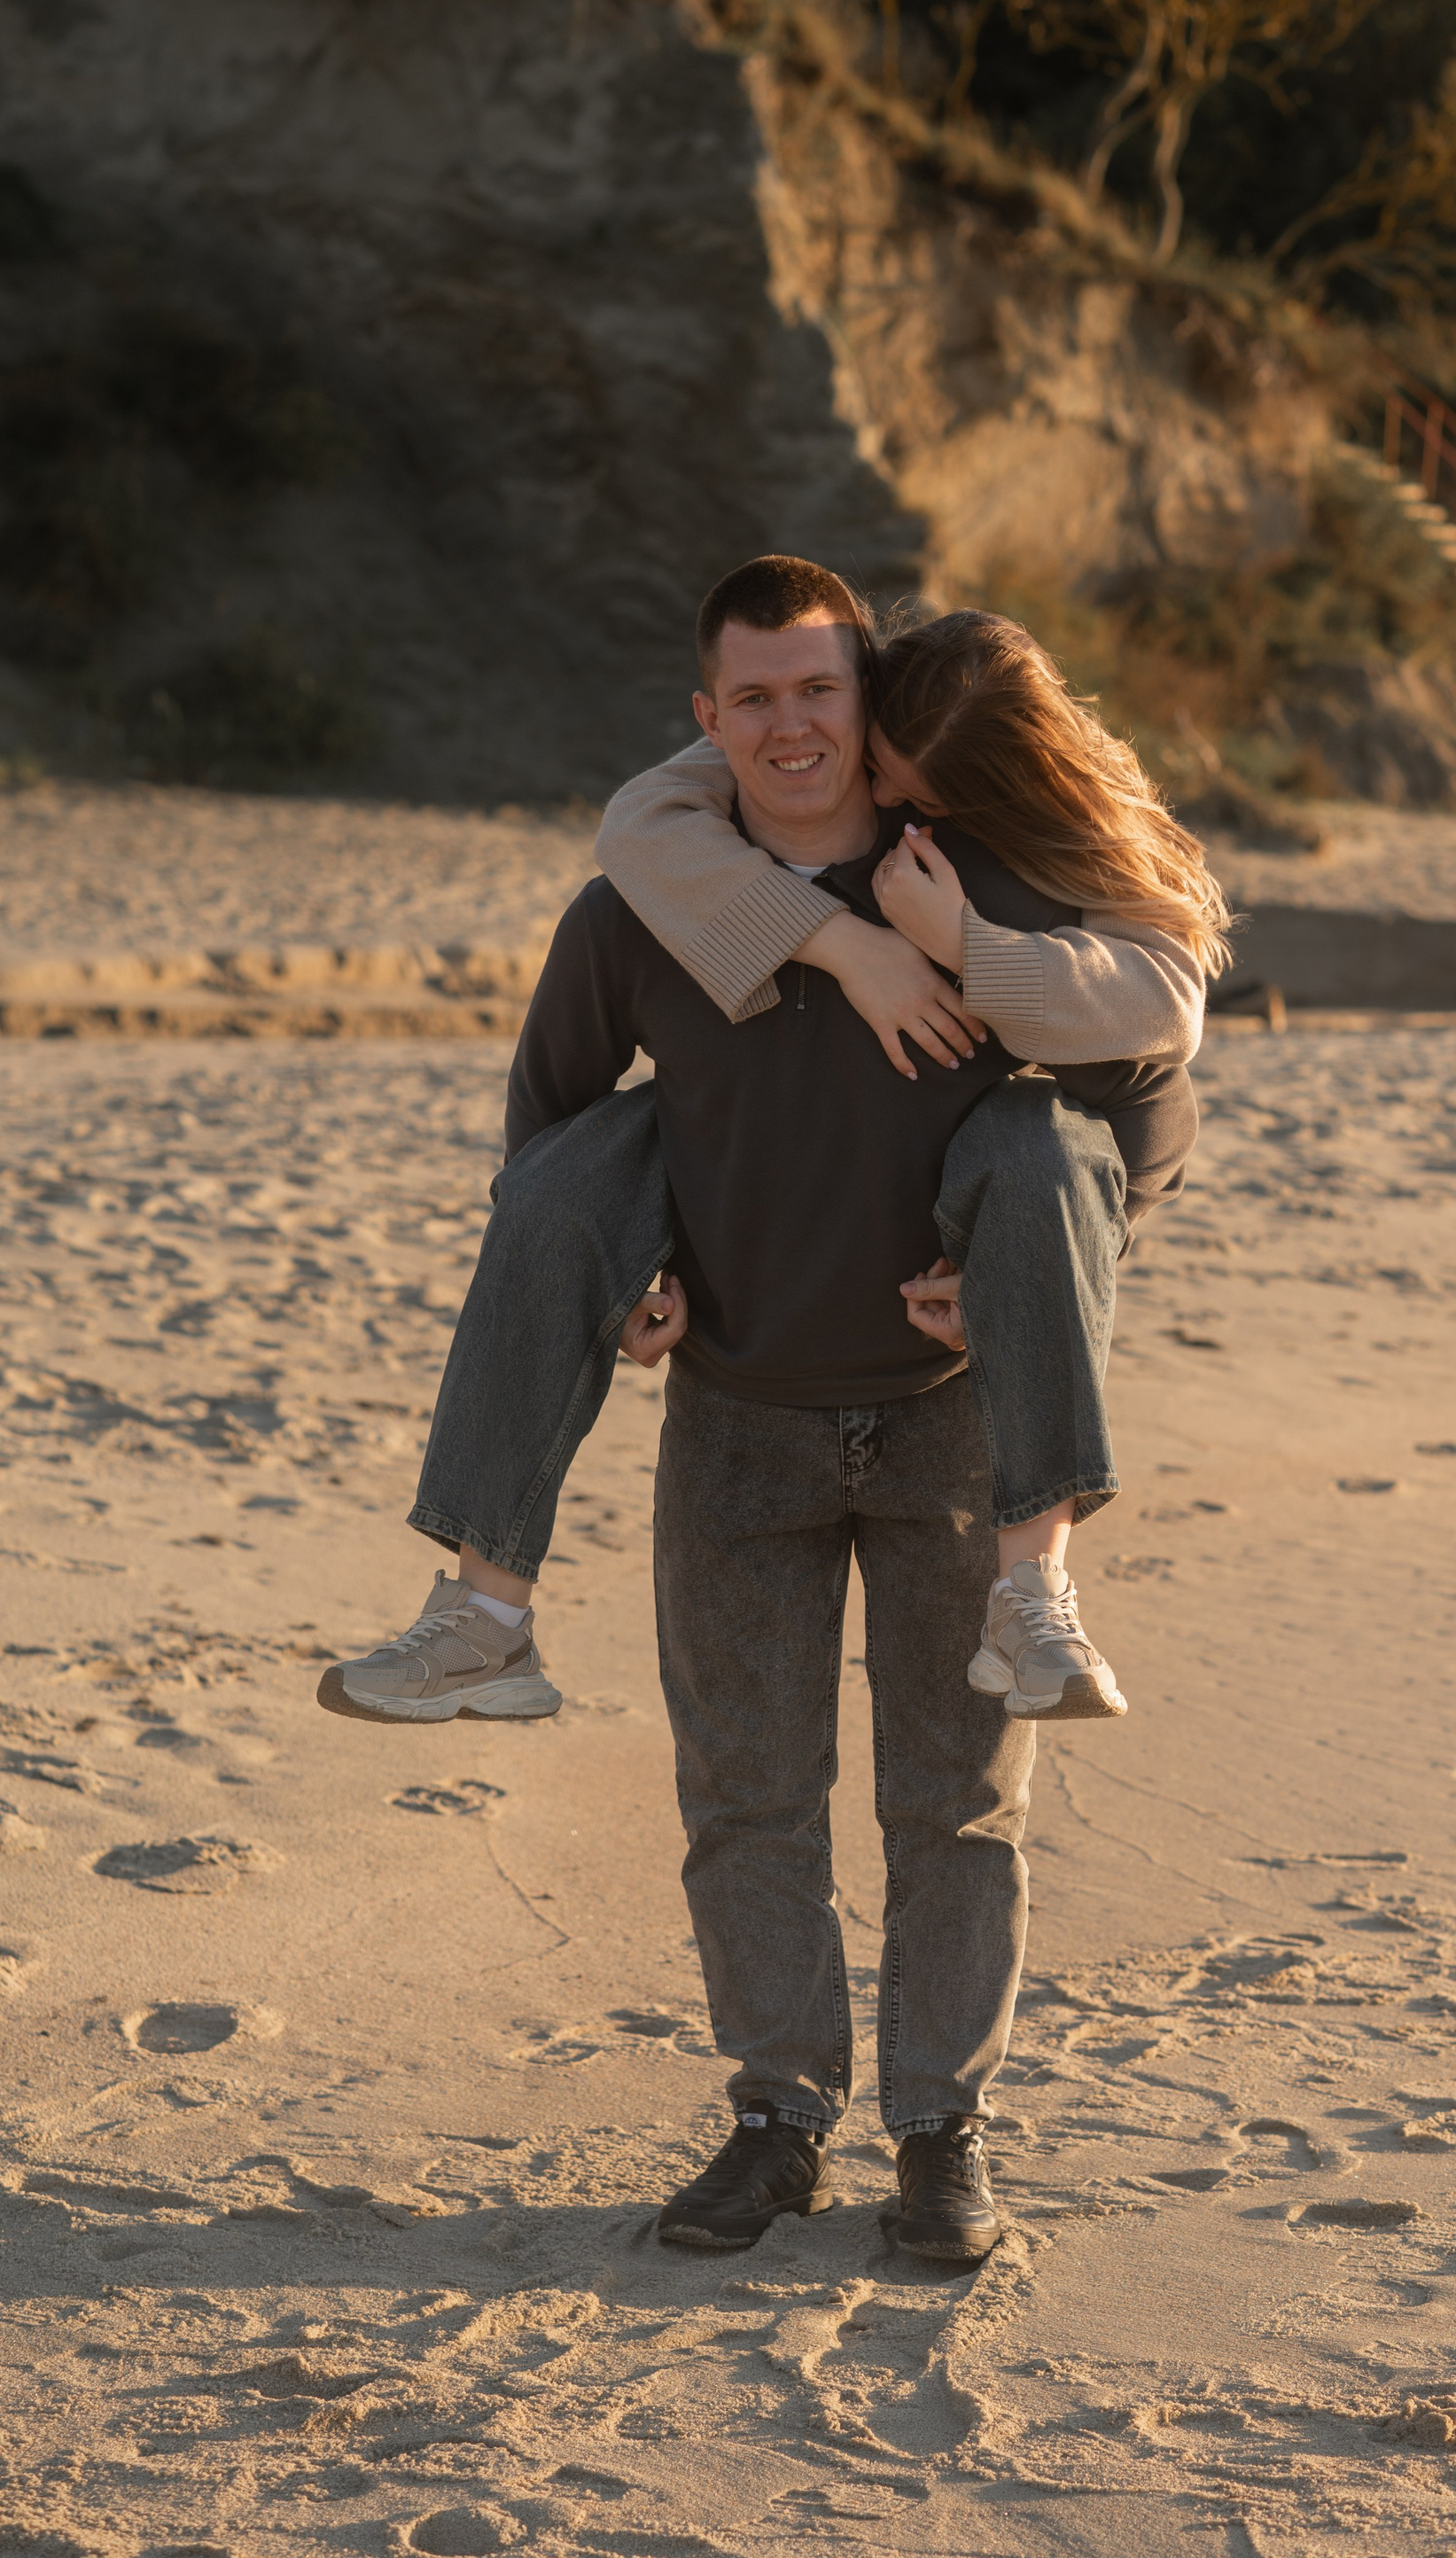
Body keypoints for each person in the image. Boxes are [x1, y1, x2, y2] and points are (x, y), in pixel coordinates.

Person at [317, 557, 1203, 2258]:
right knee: (745, 1800)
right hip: (735, 1418)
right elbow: (554, 1126)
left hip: (952, 1422)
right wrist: (620, 1277)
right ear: (705, 720)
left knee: (958, 1804)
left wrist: (1052, 1268)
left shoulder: (967, 879)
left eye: (819, 691)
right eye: (755, 698)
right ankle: (777, 2118)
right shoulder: (641, 906)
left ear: (868, 707)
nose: (790, 727)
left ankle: (941, 2134)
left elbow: (1145, 1103)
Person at [590, 595, 1231, 1715]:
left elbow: (1162, 1047)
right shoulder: (842, 698)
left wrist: (967, 949)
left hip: (957, 1361)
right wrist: (849, 945)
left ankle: (1039, 1588)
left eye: (917, 797)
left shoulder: (1033, 857)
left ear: (986, 807)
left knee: (1036, 1141)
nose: (882, 801)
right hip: (745, 1383)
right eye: (885, 771)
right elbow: (642, 818)